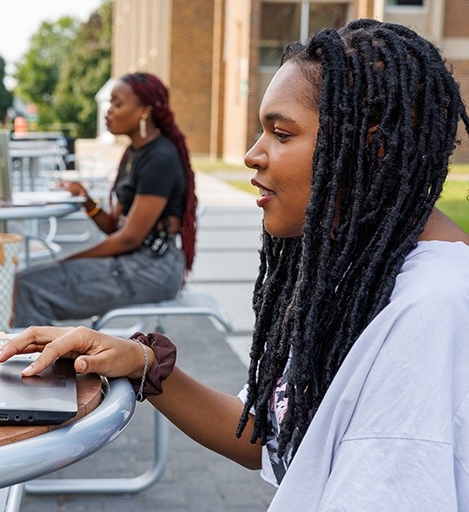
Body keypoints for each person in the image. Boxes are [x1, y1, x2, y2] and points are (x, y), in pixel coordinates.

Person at [2, 19, 469, 510]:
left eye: (281, 133)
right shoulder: (360, 277)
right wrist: (141, 363)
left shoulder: (430, 314)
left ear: (370, 147)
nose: (252, 154)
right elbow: (265, 438)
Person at [12, 72, 197, 327]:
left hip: (151, 268)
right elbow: (115, 228)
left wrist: (66, 261)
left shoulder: (160, 159)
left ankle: (38, 364)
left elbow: (129, 238)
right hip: (134, 261)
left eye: (117, 104)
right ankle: (40, 359)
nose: (108, 111)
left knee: (29, 287)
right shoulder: (133, 153)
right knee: (25, 282)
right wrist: (88, 203)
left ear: (145, 111)